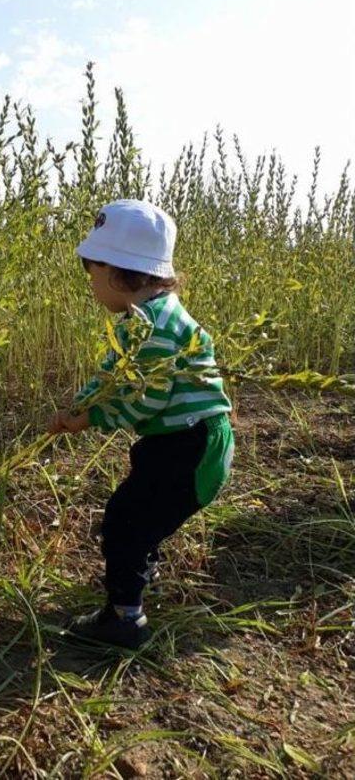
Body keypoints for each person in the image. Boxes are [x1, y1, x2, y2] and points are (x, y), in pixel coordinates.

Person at [48, 198, 234, 650]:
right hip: (185, 442)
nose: (90, 286)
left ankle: (124, 620)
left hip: (187, 448)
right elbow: (114, 372)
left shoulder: (151, 329)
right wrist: (81, 403)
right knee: (140, 519)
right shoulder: (152, 316)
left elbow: (142, 400)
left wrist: (89, 418)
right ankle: (135, 575)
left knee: (123, 524)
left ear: (116, 272)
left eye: (90, 273)